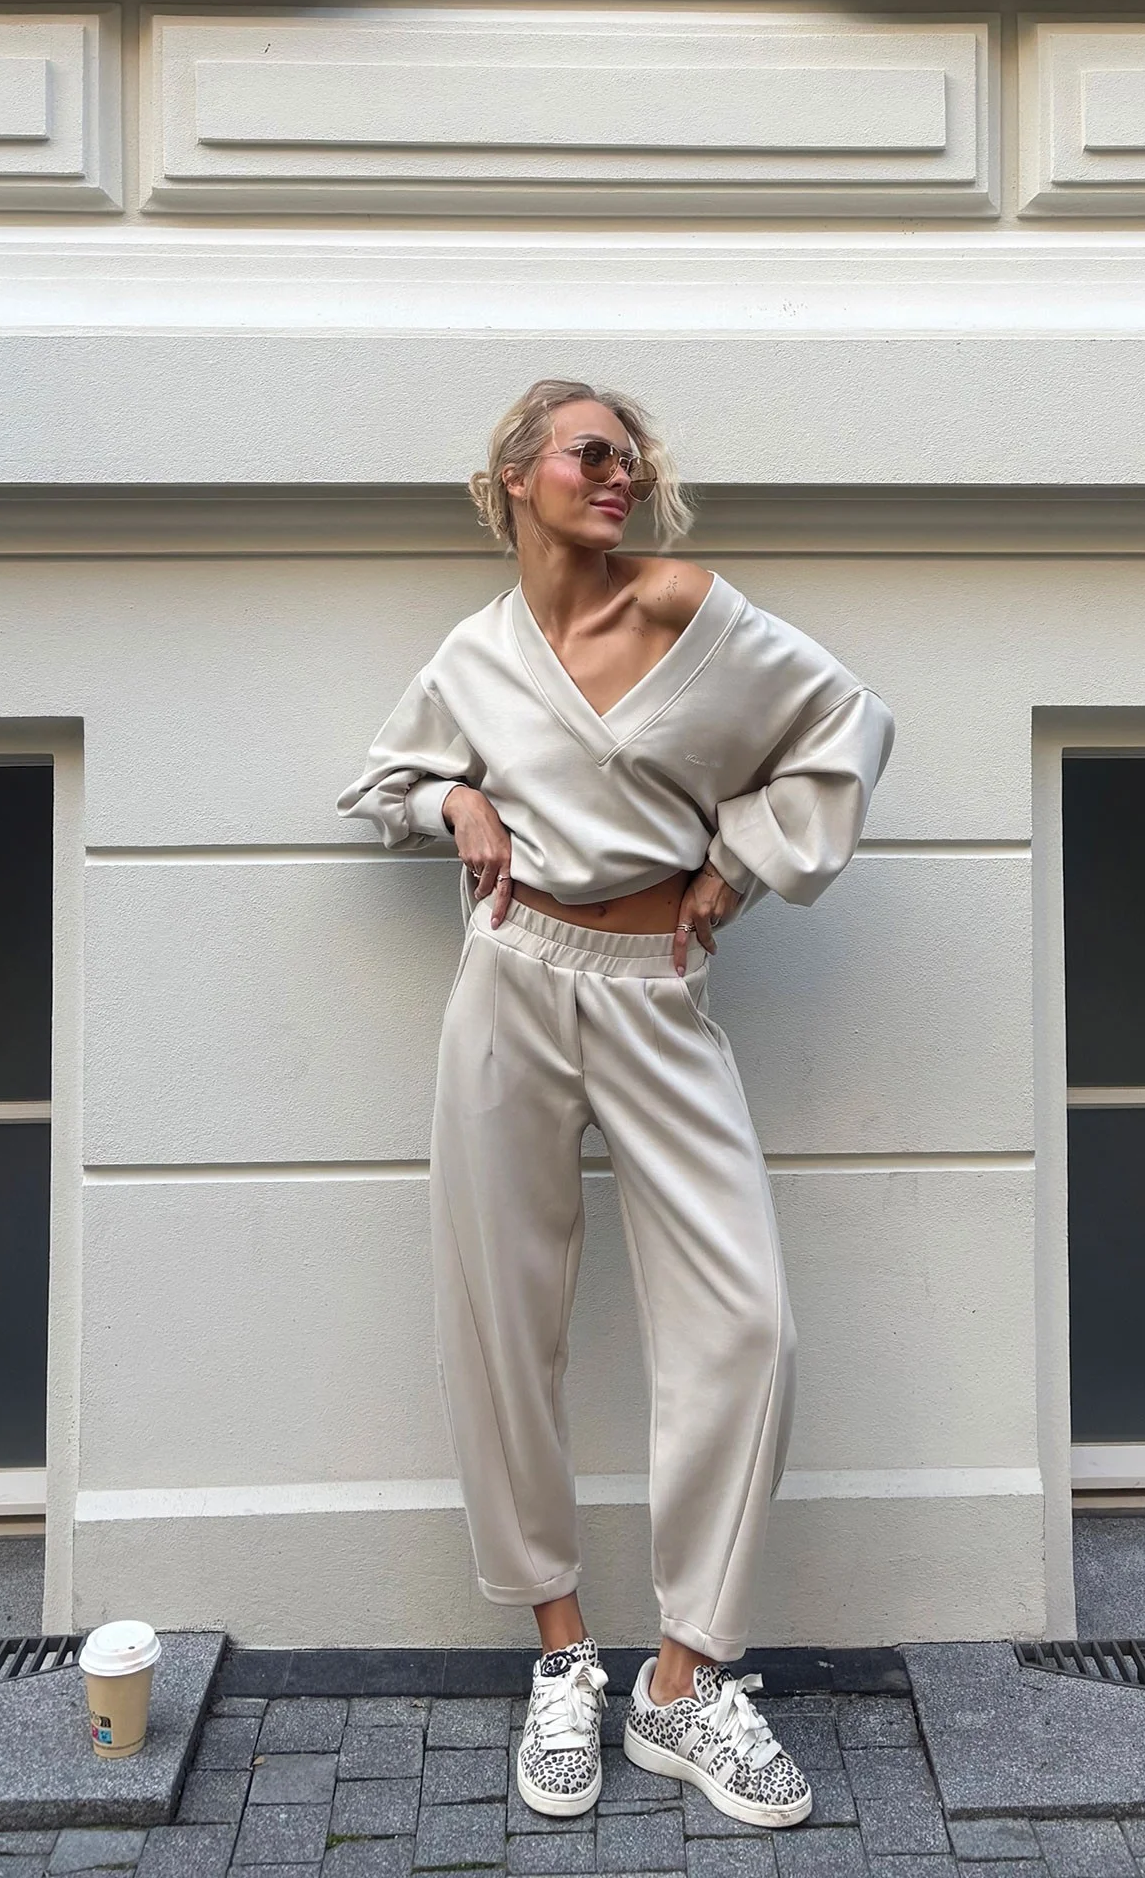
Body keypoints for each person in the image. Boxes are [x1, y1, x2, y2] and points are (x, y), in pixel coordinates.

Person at [337, 378, 894, 1832]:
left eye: (630, 458)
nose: (619, 475)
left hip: (655, 986)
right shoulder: (475, 655)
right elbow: (386, 779)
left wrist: (739, 865)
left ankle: (683, 1682)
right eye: (590, 452)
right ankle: (563, 1653)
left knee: (745, 1320)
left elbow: (843, 724)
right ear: (514, 477)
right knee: (500, 1312)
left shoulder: (683, 606)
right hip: (512, 977)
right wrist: (456, 803)